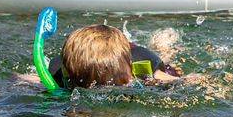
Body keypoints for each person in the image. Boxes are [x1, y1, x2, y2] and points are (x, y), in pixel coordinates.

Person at [51, 24, 181, 88]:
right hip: (115, 54)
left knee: (165, 60)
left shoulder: (142, 73)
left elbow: (185, 81)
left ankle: (164, 47)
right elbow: (33, 79)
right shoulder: (59, 74)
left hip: (134, 55)